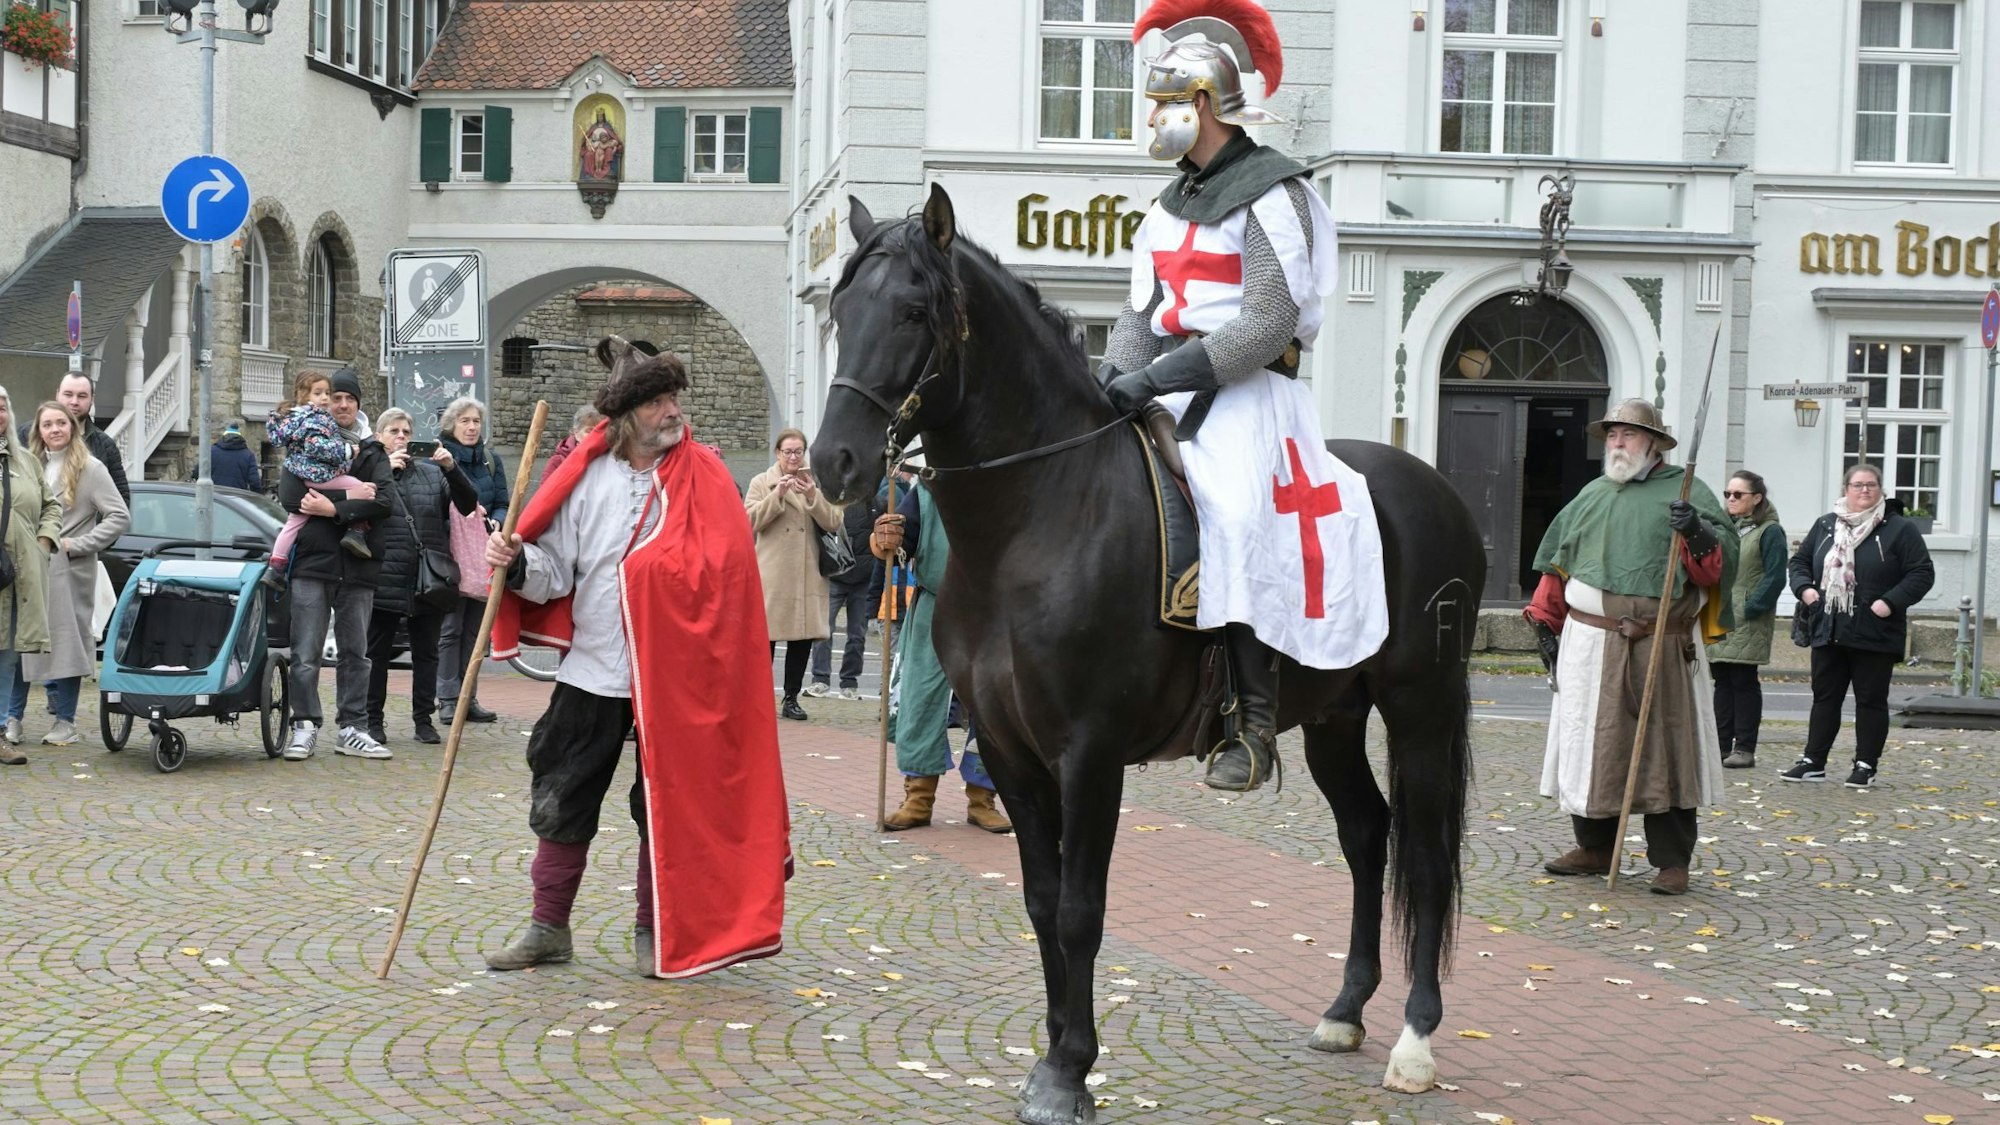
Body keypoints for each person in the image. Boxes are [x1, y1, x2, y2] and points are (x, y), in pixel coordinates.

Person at [1098, 0, 1377, 792]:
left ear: (1201, 103)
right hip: (1169, 391)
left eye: (1162, 102)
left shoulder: (1274, 193)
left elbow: (1266, 322)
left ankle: (1251, 724)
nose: (1152, 118)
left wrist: (1155, 378)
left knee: (1232, 508)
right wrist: (1114, 379)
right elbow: (1141, 316)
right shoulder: (1166, 207)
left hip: (1251, 395)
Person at [483, 340, 790, 979]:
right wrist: (515, 562)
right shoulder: (585, 478)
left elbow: (728, 575)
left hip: (681, 679)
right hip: (595, 669)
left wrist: (657, 580)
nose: (672, 411)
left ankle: (659, 930)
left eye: (673, 398)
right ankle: (548, 928)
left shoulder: (708, 476)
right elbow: (554, 574)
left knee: (669, 804)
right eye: (657, 403)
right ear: (626, 417)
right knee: (561, 794)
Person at [1524, 399, 1737, 896]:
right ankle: (1595, 847)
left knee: (1668, 750)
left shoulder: (1688, 490)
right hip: (1591, 643)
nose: (1618, 443)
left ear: (1654, 443)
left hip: (1662, 642)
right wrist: (1544, 620)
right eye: (1613, 435)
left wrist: (1697, 530)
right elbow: (1559, 563)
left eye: (1629, 434)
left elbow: (1716, 568)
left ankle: (1672, 861)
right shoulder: (1593, 494)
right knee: (1592, 745)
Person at [869, 473, 1011, 833]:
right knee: (921, 702)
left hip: (991, 613)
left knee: (992, 709)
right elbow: (899, 546)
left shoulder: (1002, 484)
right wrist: (884, 539)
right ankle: (918, 799)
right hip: (935, 609)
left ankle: (982, 798)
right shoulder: (928, 491)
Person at [1783, 463, 1935, 789]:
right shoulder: (1826, 525)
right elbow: (1799, 562)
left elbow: (1922, 573)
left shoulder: (1900, 529)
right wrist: (1805, 590)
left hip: (1874, 629)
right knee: (1825, 698)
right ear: (1846, 489)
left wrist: (1890, 602)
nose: (1864, 490)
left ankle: (1865, 764)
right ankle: (1813, 762)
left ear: (1881, 490)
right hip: (1829, 626)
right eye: (1857, 485)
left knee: (1870, 700)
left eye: (1871, 485)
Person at [282, 368, 395, 762]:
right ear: (324, 402)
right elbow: (291, 495)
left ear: (358, 404)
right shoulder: (305, 440)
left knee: (356, 654)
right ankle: (304, 725)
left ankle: (353, 728)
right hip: (313, 563)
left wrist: (333, 509)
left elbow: (384, 503)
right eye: (335, 398)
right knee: (305, 653)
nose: (342, 404)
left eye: (349, 399)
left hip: (360, 567)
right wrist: (352, 502)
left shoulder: (372, 451)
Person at [9, 403, 129, 746]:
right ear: (38, 431)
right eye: (47, 424)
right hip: (28, 568)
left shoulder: (90, 468)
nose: (55, 429)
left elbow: (119, 516)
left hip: (69, 570)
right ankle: (12, 718)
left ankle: (66, 721)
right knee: (21, 644)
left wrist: (78, 544)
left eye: (61, 422)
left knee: (68, 645)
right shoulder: (28, 465)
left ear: (72, 427)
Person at [365, 407, 478, 747]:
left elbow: (468, 504)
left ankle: (423, 720)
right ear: (379, 438)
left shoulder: (431, 473)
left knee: (426, 654)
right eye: (393, 431)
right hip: (385, 575)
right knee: (377, 654)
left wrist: (451, 468)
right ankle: (373, 720)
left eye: (406, 432)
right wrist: (384, 473)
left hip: (428, 578)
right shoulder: (370, 472)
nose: (401, 437)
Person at [745, 428, 839, 721]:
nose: (793, 457)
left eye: (798, 451)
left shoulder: (815, 482)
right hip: (773, 574)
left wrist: (812, 495)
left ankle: (791, 698)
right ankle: (759, 698)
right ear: (778, 453)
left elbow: (835, 521)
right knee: (766, 640)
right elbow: (748, 521)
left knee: (801, 638)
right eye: (788, 452)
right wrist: (778, 495)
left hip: (807, 572)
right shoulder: (761, 482)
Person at [436, 395, 509, 724]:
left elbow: (503, 502)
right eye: (464, 421)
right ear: (451, 425)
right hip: (451, 555)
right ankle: (448, 698)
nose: (471, 427)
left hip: (484, 555)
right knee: (450, 630)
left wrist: (498, 521)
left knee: (476, 632)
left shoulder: (491, 461)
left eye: (476, 421)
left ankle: (469, 697)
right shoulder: (439, 459)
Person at [0, 388, 64, 765]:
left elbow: (51, 507)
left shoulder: (26, 461)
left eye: (3, 408)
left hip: (19, 577)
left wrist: (42, 543)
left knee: (7, 655)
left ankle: (0, 735)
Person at [1706, 470, 1786, 770]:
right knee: (1722, 681)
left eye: (1738, 494)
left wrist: (1753, 607)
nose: (1731, 499)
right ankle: (1720, 745)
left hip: (1748, 616)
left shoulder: (1770, 531)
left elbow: (1775, 576)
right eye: (1727, 493)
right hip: (1721, 613)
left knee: (1743, 680)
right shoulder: (1725, 528)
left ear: (1757, 498)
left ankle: (1744, 747)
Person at [268, 371, 372, 567]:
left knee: (294, 521)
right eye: (318, 393)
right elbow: (318, 446)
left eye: (327, 393)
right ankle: (356, 528)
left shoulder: (295, 418)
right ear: (303, 395)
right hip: (319, 473)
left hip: (302, 472)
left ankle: (277, 562)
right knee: (361, 488)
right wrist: (347, 450)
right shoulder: (315, 418)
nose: (324, 398)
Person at [806, 482, 878, 701]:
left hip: (863, 580)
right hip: (835, 576)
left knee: (857, 635)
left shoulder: (877, 504)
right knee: (824, 630)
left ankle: (849, 682)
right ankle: (821, 679)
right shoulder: (831, 501)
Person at [14, 374, 129, 508]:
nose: (74, 401)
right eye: (68, 394)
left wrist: (90, 521)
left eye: (82, 396)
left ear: (92, 399)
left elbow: (121, 499)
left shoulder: (104, 445)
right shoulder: (26, 434)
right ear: (57, 395)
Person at [543, 404, 602, 479]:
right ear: (576, 433)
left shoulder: (609, 459)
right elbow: (547, 486)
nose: (595, 435)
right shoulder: (558, 461)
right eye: (589, 431)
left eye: (600, 430)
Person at [210, 419, 264, 493]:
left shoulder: (212, 451)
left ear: (224, 435)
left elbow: (198, 473)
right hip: (237, 496)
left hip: (215, 495)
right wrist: (258, 495)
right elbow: (254, 482)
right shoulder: (248, 455)